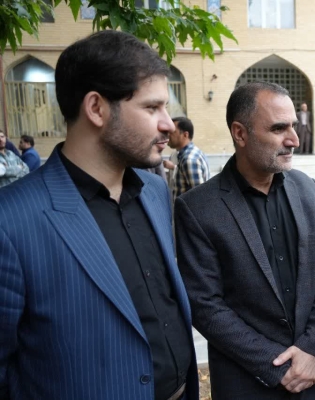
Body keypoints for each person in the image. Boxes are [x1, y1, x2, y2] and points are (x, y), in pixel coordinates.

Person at [0, 31, 199, 400]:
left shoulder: (154, 191)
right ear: (96, 108)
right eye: (152, 107)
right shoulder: (11, 222)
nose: (169, 124)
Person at [175, 82, 315, 399]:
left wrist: (313, 347)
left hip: (312, 376)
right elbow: (204, 305)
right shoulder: (198, 208)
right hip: (246, 380)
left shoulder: (306, 188)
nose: (294, 140)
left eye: (293, 126)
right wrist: (276, 365)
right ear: (240, 133)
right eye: (279, 128)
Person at [166, 116, 210, 197]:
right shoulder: (189, 153)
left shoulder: (189, 159)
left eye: (172, 132)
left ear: (185, 135)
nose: (168, 135)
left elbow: (200, 197)